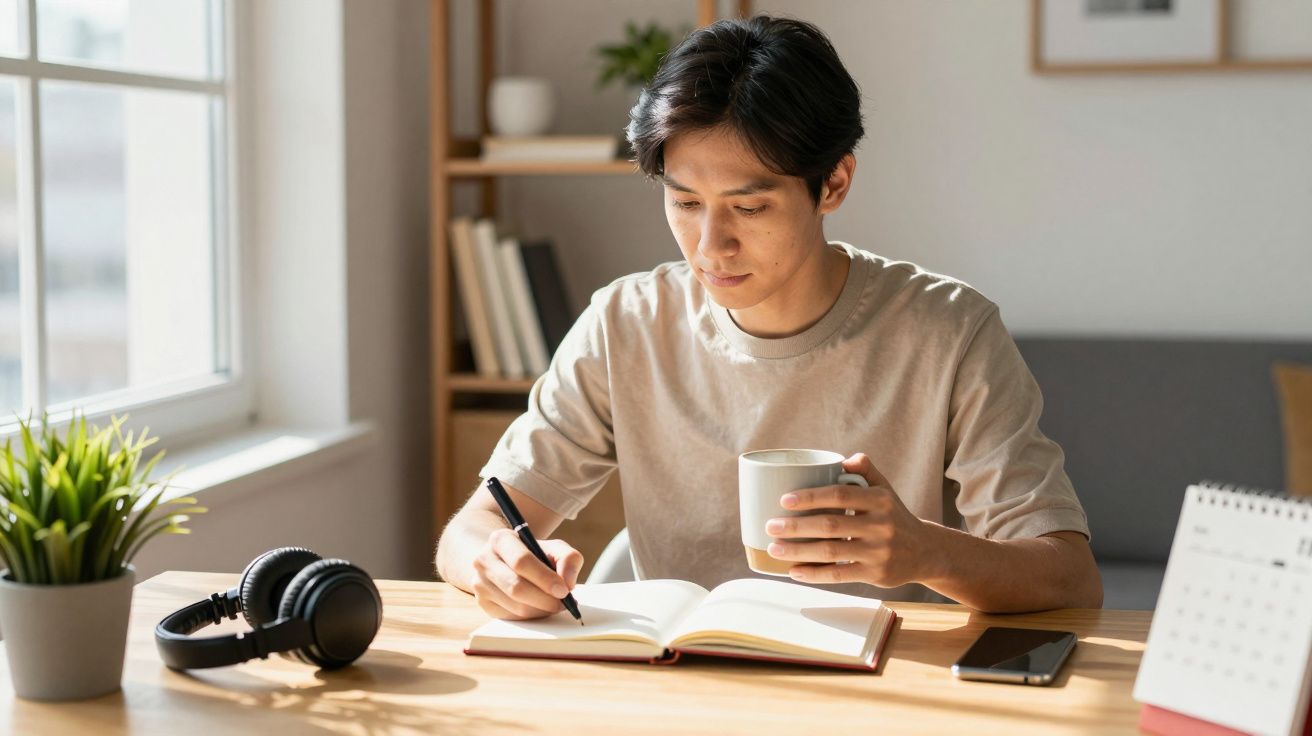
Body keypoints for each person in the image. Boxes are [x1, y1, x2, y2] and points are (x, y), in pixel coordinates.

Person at [435, 15, 1103, 620]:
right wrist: (492, 566)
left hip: (883, 697)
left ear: (834, 183)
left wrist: (924, 552)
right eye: (686, 203)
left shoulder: (950, 334)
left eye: (748, 209)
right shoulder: (625, 325)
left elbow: (1069, 577)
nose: (710, 246)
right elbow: (473, 529)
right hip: (684, 693)